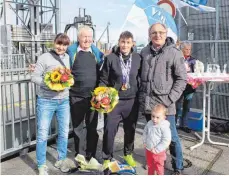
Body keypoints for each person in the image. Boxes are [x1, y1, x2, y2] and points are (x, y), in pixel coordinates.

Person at [139, 23, 187, 175]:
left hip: (166, 106)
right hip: (148, 104)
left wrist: (168, 101)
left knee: (171, 137)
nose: (157, 35)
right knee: (152, 135)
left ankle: (178, 166)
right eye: (154, 33)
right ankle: (154, 161)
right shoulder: (144, 52)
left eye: (161, 32)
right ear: (149, 34)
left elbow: (181, 79)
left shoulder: (174, 53)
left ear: (166, 33)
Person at [99, 31, 141, 169]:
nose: (125, 45)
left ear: (132, 43)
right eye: (123, 42)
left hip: (132, 100)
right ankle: (107, 157)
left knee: (130, 129)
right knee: (109, 130)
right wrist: (103, 96)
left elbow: (140, 79)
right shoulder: (110, 58)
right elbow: (104, 79)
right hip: (114, 101)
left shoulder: (137, 58)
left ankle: (128, 153)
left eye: (128, 42)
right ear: (119, 42)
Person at [31, 33, 72, 175]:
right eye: (59, 44)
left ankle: (61, 160)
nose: (61, 47)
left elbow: (68, 76)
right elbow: (34, 77)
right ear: (54, 43)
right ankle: (41, 165)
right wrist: (49, 84)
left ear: (67, 46)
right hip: (46, 100)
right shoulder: (44, 57)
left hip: (64, 100)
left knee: (64, 132)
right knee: (42, 134)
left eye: (64, 45)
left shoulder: (67, 58)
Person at [66, 25, 104, 165]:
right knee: (78, 127)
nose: (87, 39)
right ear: (79, 38)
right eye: (84, 37)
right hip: (75, 95)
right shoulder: (71, 52)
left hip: (94, 97)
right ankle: (80, 154)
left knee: (92, 127)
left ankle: (91, 155)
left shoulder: (97, 53)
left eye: (89, 37)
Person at [143, 104, 171, 175]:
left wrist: (157, 149)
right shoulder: (149, 123)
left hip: (159, 152)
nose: (154, 119)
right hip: (149, 149)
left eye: (158, 117)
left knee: (159, 167)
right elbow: (145, 132)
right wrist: (145, 141)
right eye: (153, 116)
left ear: (164, 117)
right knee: (150, 166)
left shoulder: (164, 127)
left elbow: (166, 140)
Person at [176, 42, 197, 133]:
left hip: (190, 87)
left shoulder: (193, 60)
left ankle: (184, 125)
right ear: (182, 49)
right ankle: (173, 125)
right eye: (186, 49)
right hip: (179, 86)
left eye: (189, 49)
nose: (188, 51)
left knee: (187, 107)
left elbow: (196, 72)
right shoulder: (178, 59)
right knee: (177, 107)